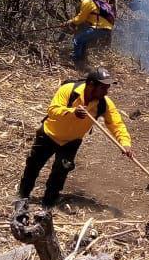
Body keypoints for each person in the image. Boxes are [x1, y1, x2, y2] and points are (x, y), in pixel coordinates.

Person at [16, 68, 132, 210]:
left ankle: (48, 203)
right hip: (48, 135)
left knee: (60, 172)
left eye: (108, 87)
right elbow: (52, 110)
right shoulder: (68, 90)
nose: (106, 91)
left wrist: (125, 144)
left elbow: (116, 124)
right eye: (103, 87)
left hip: (71, 142)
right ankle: (22, 196)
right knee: (33, 166)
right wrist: (72, 112)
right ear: (90, 84)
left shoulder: (105, 103)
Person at [64, 0, 114, 66]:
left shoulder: (86, 1)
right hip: (106, 28)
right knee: (83, 40)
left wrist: (70, 22)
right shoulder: (93, 1)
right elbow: (86, 19)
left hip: (99, 27)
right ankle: (83, 61)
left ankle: (77, 62)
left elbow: (81, 18)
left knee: (77, 39)